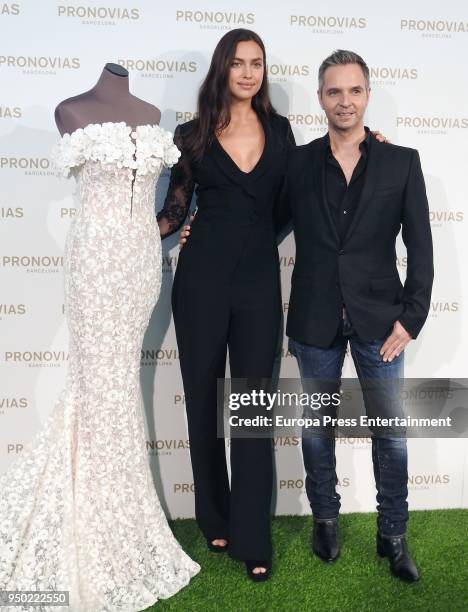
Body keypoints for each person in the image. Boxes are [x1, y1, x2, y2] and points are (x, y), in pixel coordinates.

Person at [0, 65, 200, 611]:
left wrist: (175, 226)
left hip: (139, 265)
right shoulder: (72, 111)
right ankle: (91, 521)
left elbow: (158, 211)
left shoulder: (154, 118)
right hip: (93, 264)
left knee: (120, 390)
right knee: (98, 389)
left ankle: (121, 515)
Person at [284, 50, 433, 582]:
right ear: (320, 97)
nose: (343, 101)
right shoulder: (297, 163)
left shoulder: (401, 161)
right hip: (314, 319)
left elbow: (421, 248)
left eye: (353, 91)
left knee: (389, 432)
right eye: (333, 92)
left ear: (366, 95)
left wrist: (411, 319)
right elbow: (259, 225)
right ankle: (326, 517)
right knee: (317, 428)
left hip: (382, 321)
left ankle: (393, 533)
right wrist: (198, 230)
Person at [157, 28, 295, 581]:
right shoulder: (190, 135)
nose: (247, 72)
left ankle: (252, 536)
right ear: (222, 68)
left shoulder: (282, 132)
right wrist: (139, 231)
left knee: (254, 408)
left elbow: (293, 205)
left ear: (263, 72)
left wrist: (252, 234)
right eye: (237, 63)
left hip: (260, 284)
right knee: (202, 403)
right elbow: (172, 211)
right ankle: (213, 515)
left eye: (256, 64)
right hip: (201, 283)